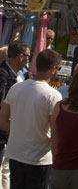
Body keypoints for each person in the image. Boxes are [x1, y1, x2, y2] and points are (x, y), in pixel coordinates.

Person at [0, 49, 63, 189]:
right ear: (53, 69)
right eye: (59, 68)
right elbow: (55, 132)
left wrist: (20, 125)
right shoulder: (53, 95)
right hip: (39, 158)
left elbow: (2, 122)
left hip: (16, 154)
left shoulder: (16, 88)